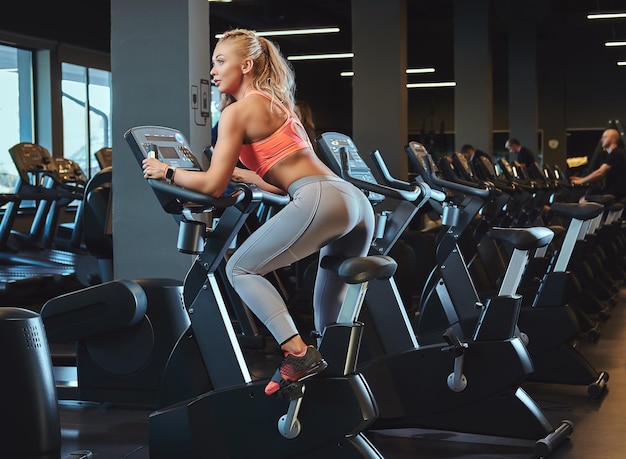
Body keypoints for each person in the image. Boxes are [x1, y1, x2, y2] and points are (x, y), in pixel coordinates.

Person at [142, 28, 375, 397]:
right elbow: (281, 178)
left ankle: (297, 354)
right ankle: (335, 386)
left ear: (246, 64)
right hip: (352, 202)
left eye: (220, 61)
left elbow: (213, 187)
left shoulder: (237, 111)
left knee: (240, 268)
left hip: (320, 197)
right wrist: (244, 174)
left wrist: (166, 171)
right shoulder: (279, 105)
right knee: (328, 302)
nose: (213, 71)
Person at [570, 128, 626, 203]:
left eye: (605, 137)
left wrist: (581, 181)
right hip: (613, 190)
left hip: (615, 192)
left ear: (613, 139)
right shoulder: (611, 154)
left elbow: (600, 173)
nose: (602, 140)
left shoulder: (616, 153)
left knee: (583, 201)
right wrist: (583, 179)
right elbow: (601, 175)